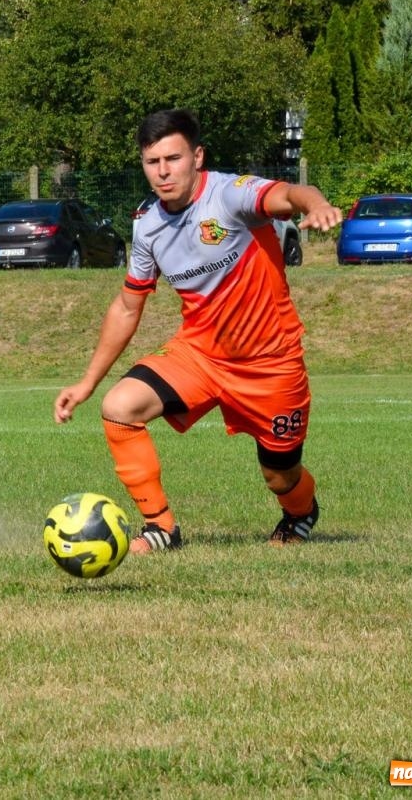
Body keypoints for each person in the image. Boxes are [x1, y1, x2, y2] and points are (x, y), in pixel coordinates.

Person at [53, 109, 342, 552]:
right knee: (120, 406)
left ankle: (300, 512)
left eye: (174, 158)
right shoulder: (148, 225)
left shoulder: (230, 195)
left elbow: (288, 193)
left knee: (280, 476)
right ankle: (161, 528)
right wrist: (87, 383)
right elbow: (128, 306)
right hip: (200, 356)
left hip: (271, 364)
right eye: (153, 162)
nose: (163, 171)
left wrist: (315, 204)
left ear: (198, 157)